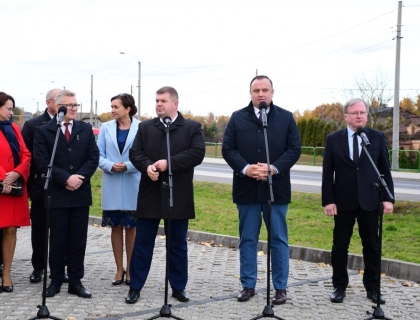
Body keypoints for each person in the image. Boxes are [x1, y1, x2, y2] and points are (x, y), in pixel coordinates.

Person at [222, 75, 301, 304]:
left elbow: (294, 149)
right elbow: (228, 149)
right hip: (246, 188)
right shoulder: (237, 118)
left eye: (265, 90)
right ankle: (248, 285)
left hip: (276, 189)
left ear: (272, 92)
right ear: (250, 93)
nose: (261, 94)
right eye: (256, 90)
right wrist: (246, 169)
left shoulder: (285, 118)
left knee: (278, 238)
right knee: (247, 238)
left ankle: (280, 287)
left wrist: (274, 168)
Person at [126, 86, 205, 304]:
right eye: (157, 100)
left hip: (177, 195)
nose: (158, 104)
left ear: (175, 104)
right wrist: (147, 167)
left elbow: (197, 153)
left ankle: (178, 287)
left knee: (177, 245)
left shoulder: (191, 127)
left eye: (163, 101)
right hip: (149, 195)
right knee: (143, 244)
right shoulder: (145, 127)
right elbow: (135, 152)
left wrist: (169, 163)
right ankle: (135, 287)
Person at [322, 97, 394, 304]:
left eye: (363, 113)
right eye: (355, 113)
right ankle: (339, 286)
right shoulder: (334, 139)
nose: (359, 116)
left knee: (372, 246)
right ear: (346, 116)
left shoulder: (377, 137)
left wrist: (388, 198)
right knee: (340, 246)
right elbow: (328, 173)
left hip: (371, 201)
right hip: (343, 201)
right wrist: (328, 200)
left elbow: (384, 170)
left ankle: (373, 288)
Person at [33, 90, 99, 298]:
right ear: (59, 107)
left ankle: (76, 281)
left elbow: (93, 157)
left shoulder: (85, 129)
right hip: (57, 193)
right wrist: (65, 179)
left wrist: (78, 177)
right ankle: (56, 280)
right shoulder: (44, 131)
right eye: (69, 105)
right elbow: (42, 162)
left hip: (80, 192)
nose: (73, 108)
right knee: (58, 238)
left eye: (76, 105)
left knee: (78, 239)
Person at [98, 93, 141, 286]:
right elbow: (98, 155)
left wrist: (129, 165)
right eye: (112, 106)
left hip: (134, 183)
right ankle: (118, 269)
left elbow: (145, 154)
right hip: (112, 182)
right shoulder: (105, 128)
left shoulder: (141, 127)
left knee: (131, 227)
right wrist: (110, 165)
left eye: (116, 107)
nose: (112, 110)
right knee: (115, 227)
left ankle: (131, 269)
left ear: (128, 109)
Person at [21, 88, 64, 284]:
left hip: (63, 184)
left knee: (60, 230)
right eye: (59, 100)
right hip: (41, 183)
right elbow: (28, 156)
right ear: (49, 103)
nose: (64, 105)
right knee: (39, 229)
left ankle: (59, 268)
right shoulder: (33, 125)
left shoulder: (69, 123)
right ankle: (38, 267)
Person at [0, 92, 31, 293]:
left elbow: (26, 154)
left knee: (10, 230)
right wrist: (3, 177)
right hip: (2, 183)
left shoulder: (13, 128)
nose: (12, 112)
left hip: (13, 188)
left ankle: (7, 274)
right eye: (9, 108)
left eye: (12, 108)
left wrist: (17, 172)